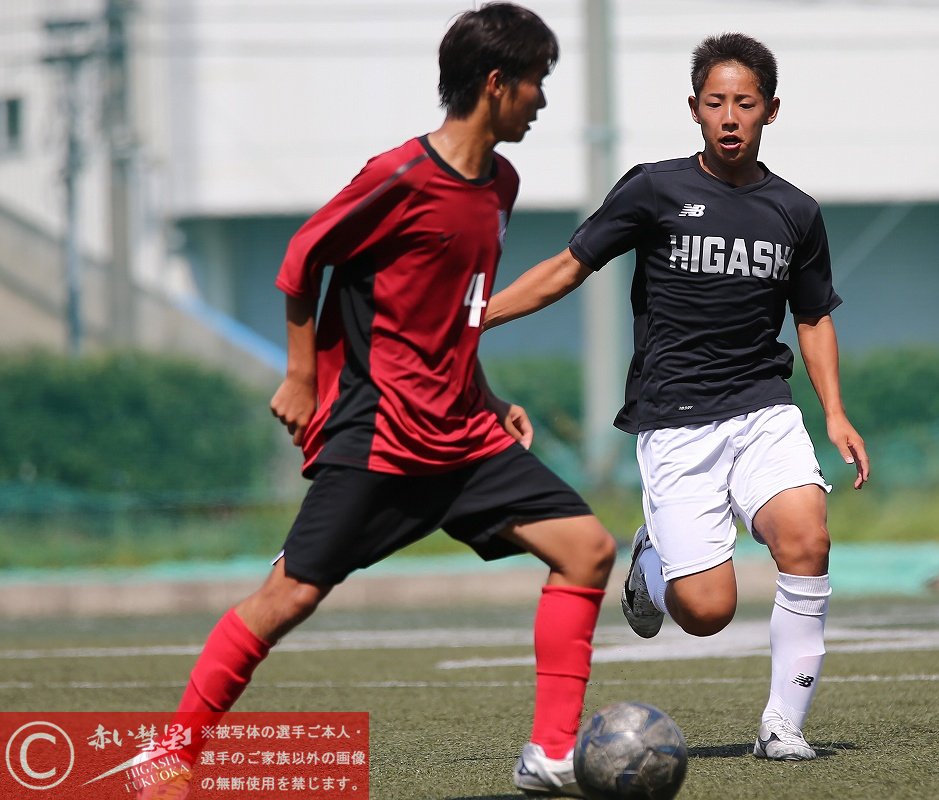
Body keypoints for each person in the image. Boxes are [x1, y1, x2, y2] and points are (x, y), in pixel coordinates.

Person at [139, 5, 615, 798]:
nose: (541, 100)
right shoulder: (399, 175)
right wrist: (299, 376)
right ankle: (173, 755)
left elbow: (456, 312)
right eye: (537, 83)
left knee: (588, 549)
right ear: (496, 84)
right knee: (288, 595)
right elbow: (302, 260)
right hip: (384, 436)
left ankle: (550, 757)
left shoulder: (501, 183)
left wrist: (489, 398)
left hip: (466, 436)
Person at [485, 32, 868, 762]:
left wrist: (836, 414)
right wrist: (481, 316)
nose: (730, 116)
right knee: (706, 612)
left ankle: (783, 725)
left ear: (771, 111)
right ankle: (652, 561)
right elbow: (570, 266)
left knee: (808, 538)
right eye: (717, 102)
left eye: (745, 103)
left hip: (765, 408)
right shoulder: (654, 188)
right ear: (694, 108)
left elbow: (813, 316)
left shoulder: (796, 211)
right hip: (677, 419)